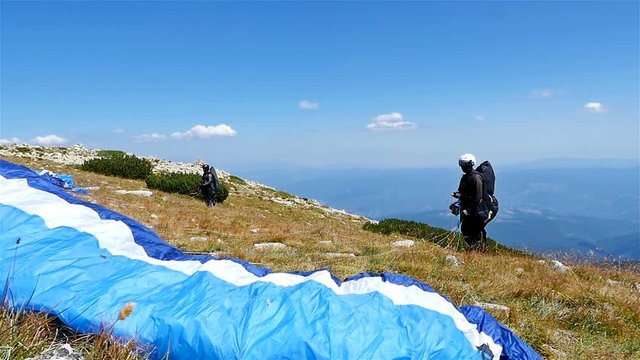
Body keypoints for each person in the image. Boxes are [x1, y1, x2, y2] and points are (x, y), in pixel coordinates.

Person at [453, 153, 488, 251]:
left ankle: (479, 251)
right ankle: (474, 250)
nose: (463, 167)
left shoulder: (476, 178)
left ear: (471, 164)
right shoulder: (465, 177)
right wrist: (458, 199)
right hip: (468, 210)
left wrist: (468, 209)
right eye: (462, 164)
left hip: (476, 211)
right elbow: (464, 194)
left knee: (475, 231)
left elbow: (478, 197)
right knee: (466, 230)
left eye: (465, 164)